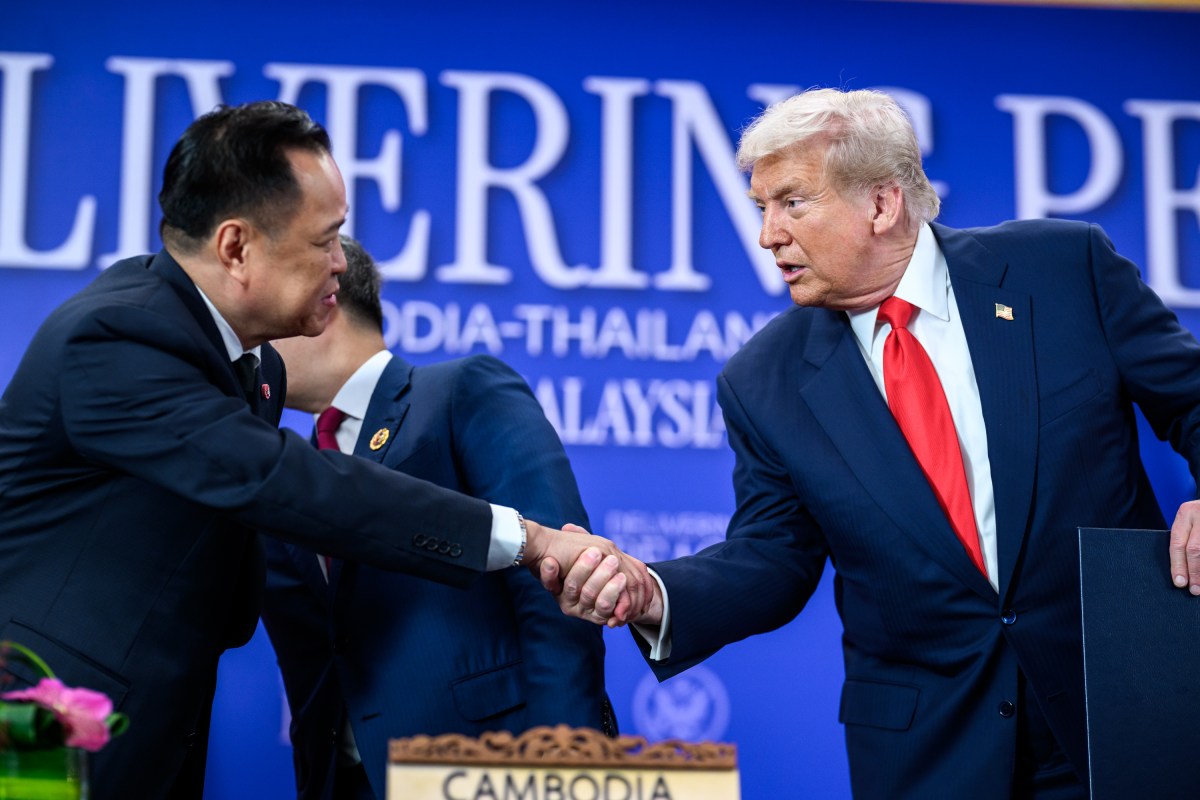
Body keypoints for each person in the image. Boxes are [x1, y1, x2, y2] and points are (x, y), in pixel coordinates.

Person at [542, 88, 1200, 799]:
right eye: (761, 207)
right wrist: (652, 591)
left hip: (1126, 708)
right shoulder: (763, 380)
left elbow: (1190, 398)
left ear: (882, 204)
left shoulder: (1062, 269)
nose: (767, 235)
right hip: (933, 753)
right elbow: (772, 557)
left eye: (791, 203)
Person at [0, 101, 641, 800]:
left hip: (147, 737)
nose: (343, 262)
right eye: (325, 239)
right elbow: (290, 482)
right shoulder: (120, 334)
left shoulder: (246, 366)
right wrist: (529, 538)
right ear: (236, 247)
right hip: (45, 733)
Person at [260, 236, 615, 800]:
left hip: (490, 768)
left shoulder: (458, 392)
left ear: (323, 300)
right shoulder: (284, 471)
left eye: (261, 318)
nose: (251, 344)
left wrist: (563, 769)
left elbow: (556, 584)